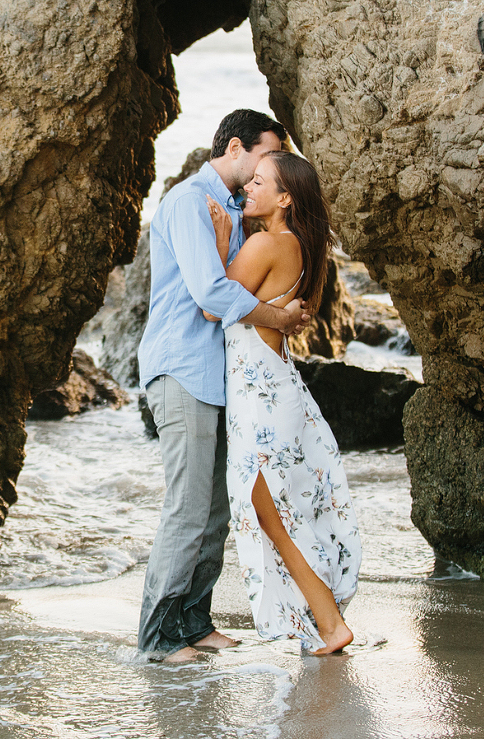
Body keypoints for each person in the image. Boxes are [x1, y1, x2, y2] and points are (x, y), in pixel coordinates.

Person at [137, 110, 311, 663]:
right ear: (237, 148)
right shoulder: (191, 201)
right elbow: (212, 294)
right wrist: (279, 319)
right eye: (266, 156)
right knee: (187, 509)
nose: (271, 168)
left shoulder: (238, 212)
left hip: (219, 378)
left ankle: (193, 621)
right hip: (182, 369)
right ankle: (157, 639)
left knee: (214, 510)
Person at [206, 150, 361, 654]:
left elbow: (215, 308)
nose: (248, 187)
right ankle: (324, 618)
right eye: (249, 180)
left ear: (285, 197)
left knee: (269, 511)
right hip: (274, 388)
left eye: (259, 182)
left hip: (261, 395)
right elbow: (262, 309)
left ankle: (329, 620)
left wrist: (224, 244)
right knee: (278, 510)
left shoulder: (267, 245)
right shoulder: (294, 246)